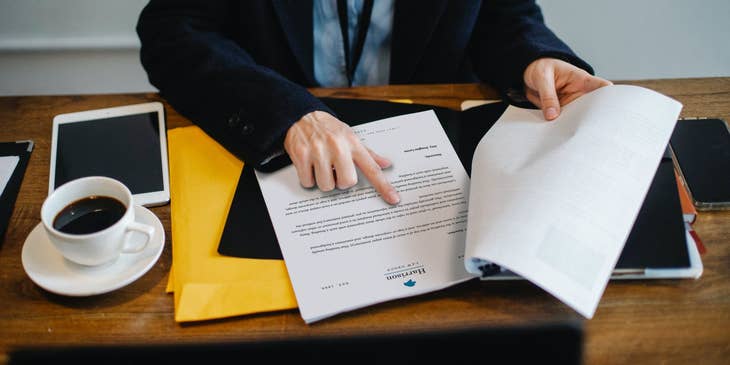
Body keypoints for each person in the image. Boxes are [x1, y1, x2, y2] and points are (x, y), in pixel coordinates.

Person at [136, 0, 611, 205]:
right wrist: (285, 111)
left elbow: (501, 15)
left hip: (438, 148)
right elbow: (173, 31)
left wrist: (535, 58)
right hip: (281, 147)